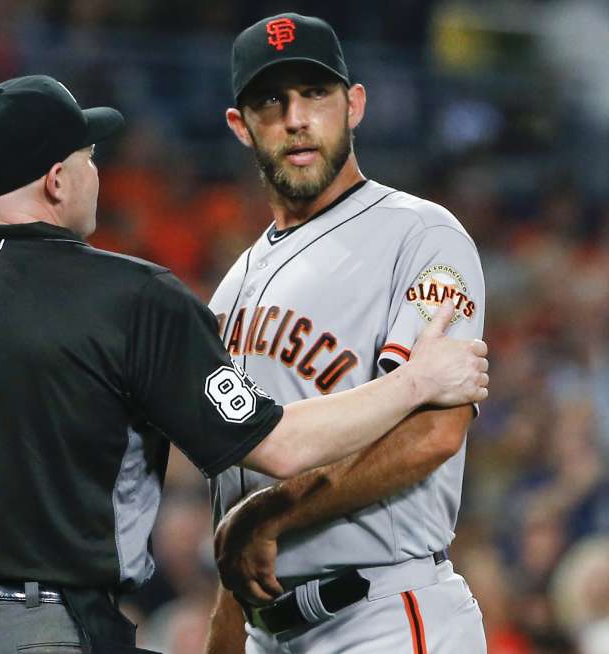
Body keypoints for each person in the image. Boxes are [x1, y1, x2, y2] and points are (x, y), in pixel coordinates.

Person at [0, 75, 487, 654]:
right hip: (46, 628)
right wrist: (421, 380)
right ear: (57, 181)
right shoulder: (135, 296)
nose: (97, 172)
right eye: (90, 156)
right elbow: (279, 444)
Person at [204, 13, 489, 654]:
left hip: (383, 614)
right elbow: (233, 516)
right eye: (270, 100)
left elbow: (432, 432)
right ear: (239, 125)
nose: (296, 118)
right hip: (267, 628)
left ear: (353, 105)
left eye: (316, 94)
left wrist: (276, 513)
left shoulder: (419, 235)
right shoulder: (229, 289)